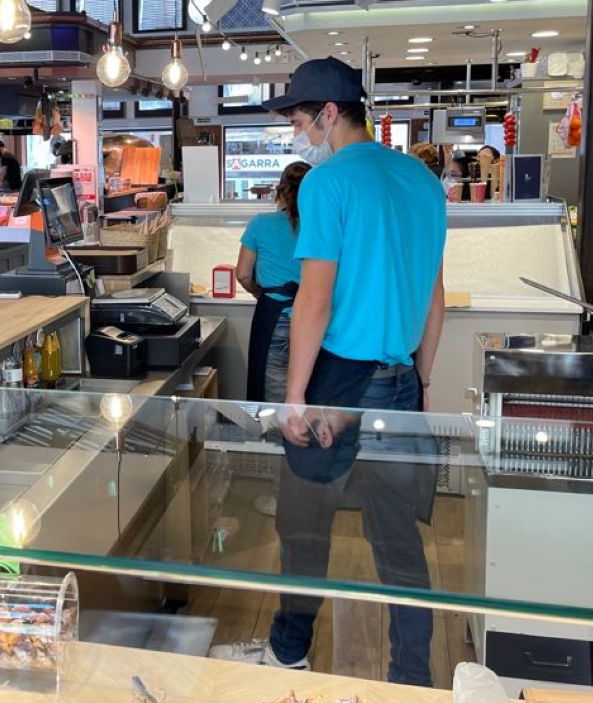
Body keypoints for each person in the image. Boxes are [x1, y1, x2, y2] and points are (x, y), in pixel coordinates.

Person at [211, 57, 446, 687]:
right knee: (398, 541)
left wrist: (294, 396)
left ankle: (289, 651)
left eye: (298, 119)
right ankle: (411, 678)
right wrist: (422, 381)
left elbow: (314, 299)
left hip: (338, 384)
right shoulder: (423, 181)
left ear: (330, 113)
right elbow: (435, 298)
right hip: (400, 379)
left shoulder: (327, 183)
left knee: (303, 528)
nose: (297, 131)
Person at [238, 160, 311, 517]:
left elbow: (242, 273)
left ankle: (281, 496)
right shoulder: (324, 226)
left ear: (280, 190)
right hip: (314, 321)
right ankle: (309, 493)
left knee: (272, 406)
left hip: (274, 319)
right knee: (309, 401)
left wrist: (263, 296)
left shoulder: (260, 224)